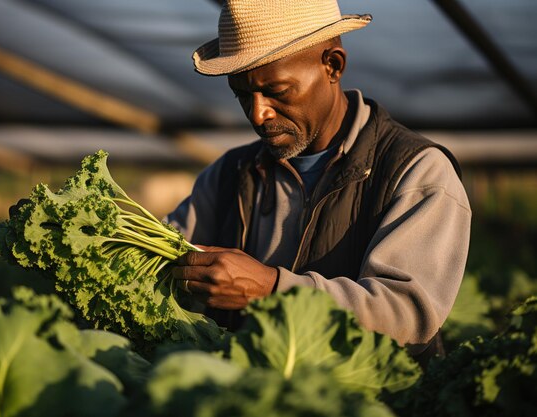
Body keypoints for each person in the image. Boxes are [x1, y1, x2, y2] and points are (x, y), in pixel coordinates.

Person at [167, 0, 471, 363]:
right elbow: (167, 255)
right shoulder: (228, 174)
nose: (259, 114)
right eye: (243, 95)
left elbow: (406, 317)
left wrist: (271, 290)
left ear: (333, 65)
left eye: (278, 91)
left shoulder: (417, 171)